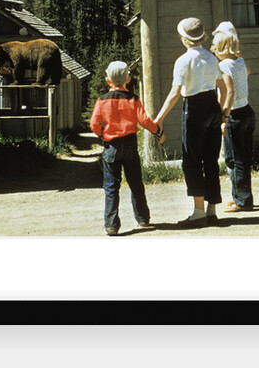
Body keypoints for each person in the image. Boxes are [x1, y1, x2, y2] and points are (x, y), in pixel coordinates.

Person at [154, 18, 229, 228]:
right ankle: (212, 210)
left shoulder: (183, 61)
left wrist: (159, 118)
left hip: (194, 108)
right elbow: (222, 88)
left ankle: (198, 213)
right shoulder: (211, 58)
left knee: (192, 160)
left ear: (185, 39)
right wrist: (222, 113)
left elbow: (175, 93)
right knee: (211, 160)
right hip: (213, 106)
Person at [90, 61, 165, 236]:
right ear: (129, 79)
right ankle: (143, 219)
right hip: (130, 144)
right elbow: (145, 121)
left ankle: (111, 225)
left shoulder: (102, 100)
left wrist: (102, 134)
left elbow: (94, 124)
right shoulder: (133, 99)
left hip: (111, 146)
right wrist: (158, 132)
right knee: (136, 183)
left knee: (111, 186)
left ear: (108, 80)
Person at [211, 21, 256, 212]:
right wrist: (236, 53)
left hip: (234, 115)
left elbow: (228, 93)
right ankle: (241, 196)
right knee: (243, 158)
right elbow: (247, 72)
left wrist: (224, 117)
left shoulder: (223, 66)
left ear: (220, 47)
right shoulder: (239, 61)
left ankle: (242, 200)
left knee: (233, 159)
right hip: (247, 111)